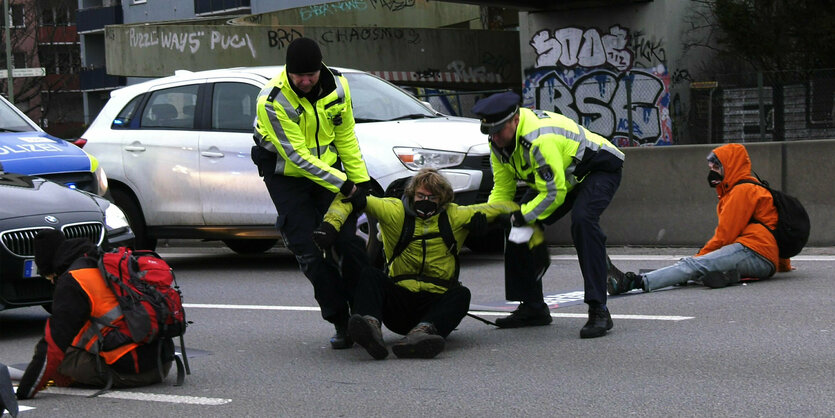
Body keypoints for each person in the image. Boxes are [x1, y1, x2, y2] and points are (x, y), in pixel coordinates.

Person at [313, 168, 526, 359]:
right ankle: (369, 327)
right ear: (411, 195)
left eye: (432, 197)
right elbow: (350, 197)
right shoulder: (394, 211)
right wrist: (330, 226)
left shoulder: (456, 216)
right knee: (370, 275)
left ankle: (422, 335)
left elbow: (502, 207)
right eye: (421, 196)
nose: (425, 201)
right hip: (399, 302)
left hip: (434, 304)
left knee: (462, 294)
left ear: (443, 200)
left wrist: (511, 219)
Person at [471, 91, 625, 339]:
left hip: (597, 169)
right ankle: (533, 307)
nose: (495, 137)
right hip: (563, 178)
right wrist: (485, 216)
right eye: (490, 132)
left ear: (515, 119)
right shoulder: (497, 143)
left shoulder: (538, 140)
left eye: (499, 130)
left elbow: (554, 194)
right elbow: (502, 189)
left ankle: (599, 310)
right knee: (517, 228)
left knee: (583, 221)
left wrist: (523, 216)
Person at [251, 37, 370, 349]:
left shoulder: (339, 87)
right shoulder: (273, 101)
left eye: (311, 75)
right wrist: (345, 185)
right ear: (288, 72)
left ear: (321, 70)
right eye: (297, 76)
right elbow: (298, 158)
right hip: (286, 176)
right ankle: (340, 320)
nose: (304, 81)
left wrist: (361, 181)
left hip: (328, 172)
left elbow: (345, 136)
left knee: (348, 243)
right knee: (310, 251)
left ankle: (364, 315)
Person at [607, 143, 792, 294]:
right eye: (711, 167)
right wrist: (781, 265)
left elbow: (724, 236)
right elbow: (773, 229)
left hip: (753, 252)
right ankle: (727, 275)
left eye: (717, 167)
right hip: (765, 263)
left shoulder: (742, 191)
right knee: (703, 265)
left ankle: (633, 282)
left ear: (731, 166)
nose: (712, 172)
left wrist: (697, 258)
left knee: (694, 265)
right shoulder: (752, 187)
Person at [16, 230, 173, 400]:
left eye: (49, 278)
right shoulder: (103, 262)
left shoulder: (73, 281)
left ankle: (60, 380)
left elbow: (53, 345)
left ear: (52, 269)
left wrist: (25, 391)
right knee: (82, 335)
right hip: (162, 363)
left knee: (63, 357)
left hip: (133, 372)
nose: (52, 282)